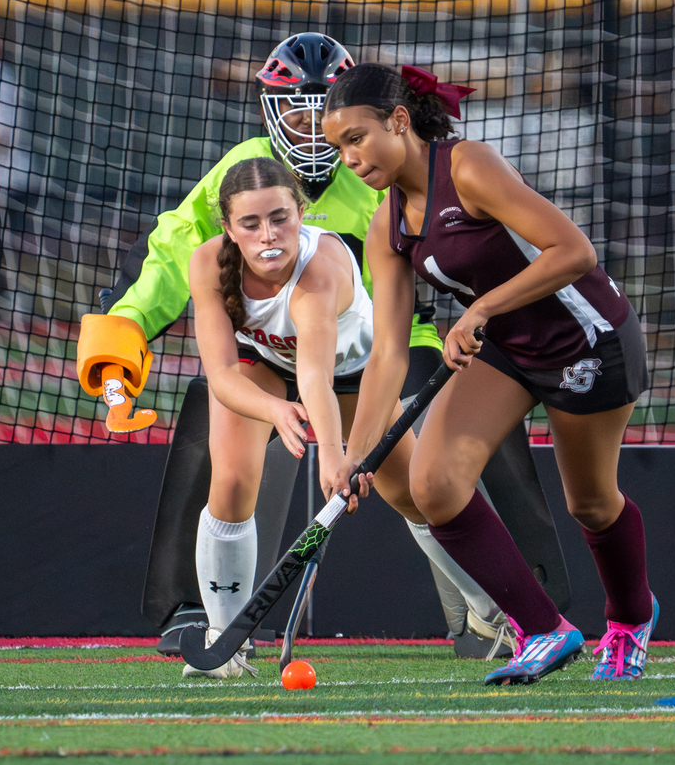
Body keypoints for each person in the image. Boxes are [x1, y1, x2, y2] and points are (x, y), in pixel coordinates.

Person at [77, 33, 567, 657]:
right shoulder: (242, 178)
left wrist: (492, 308)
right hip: (267, 352)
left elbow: (452, 234)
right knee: (222, 451)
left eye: (327, 122)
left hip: (375, 343)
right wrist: (124, 330)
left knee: (424, 479)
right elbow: (173, 255)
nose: (314, 136)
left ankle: (497, 611)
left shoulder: (373, 174)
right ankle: (203, 614)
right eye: (298, 117)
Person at [322, 63, 656, 685]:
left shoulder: (468, 165)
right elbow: (389, 352)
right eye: (339, 147)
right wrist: (355, 454)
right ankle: (543, 630)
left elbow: (573, 250)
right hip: (510, 348)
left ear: (399, 122)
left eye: (357, 138)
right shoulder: (385, 224)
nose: (349, 159)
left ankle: (631, 618)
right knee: (435, 485)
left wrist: (481, 308)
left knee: (590, 503)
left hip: (587, 339)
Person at [182, 158, 488, 677]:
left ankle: (494, 612)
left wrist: (334, 455)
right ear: (228, 229)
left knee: (419, 495)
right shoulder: (209, 263)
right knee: (231, 480)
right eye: (251, 224)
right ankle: (224, 643)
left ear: (301, 212)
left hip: (352, 374)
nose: (268, 235)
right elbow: (222, 373)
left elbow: (317, 377)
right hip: (263, 366)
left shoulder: (319, 268)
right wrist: (275, 410)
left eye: (280, 218)